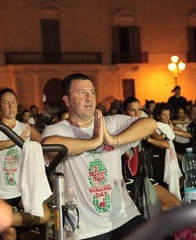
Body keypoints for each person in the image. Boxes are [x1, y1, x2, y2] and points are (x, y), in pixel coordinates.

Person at [40, 73, 157, 240]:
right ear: (66, 100)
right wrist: (94, 142)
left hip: (123, 216)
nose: (89, 98)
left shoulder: (110, 123)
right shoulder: (58, 129)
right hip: (86, 228)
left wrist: (114, 139)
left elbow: (150, 124)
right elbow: (47, 145)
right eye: (82, 92)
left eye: (92, 92)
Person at [0, 88, 51, 240]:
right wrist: (16, 139)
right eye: (6, 103)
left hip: (19, 189)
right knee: (10, 232)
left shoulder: (26, 128)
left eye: (13, 102)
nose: (11, 106)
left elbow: (46, 143)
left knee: (45, 215)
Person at [122, 97, 181, 212]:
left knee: (176, 204)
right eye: (132, 110)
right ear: (125, 112)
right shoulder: (119, 129)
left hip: (146, 178)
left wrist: (147, 138)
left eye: (138, 109)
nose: (136, 113)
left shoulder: (145, 126)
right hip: (127, 181)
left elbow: (166, 144)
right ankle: (142, 215)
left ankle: (144, 214)